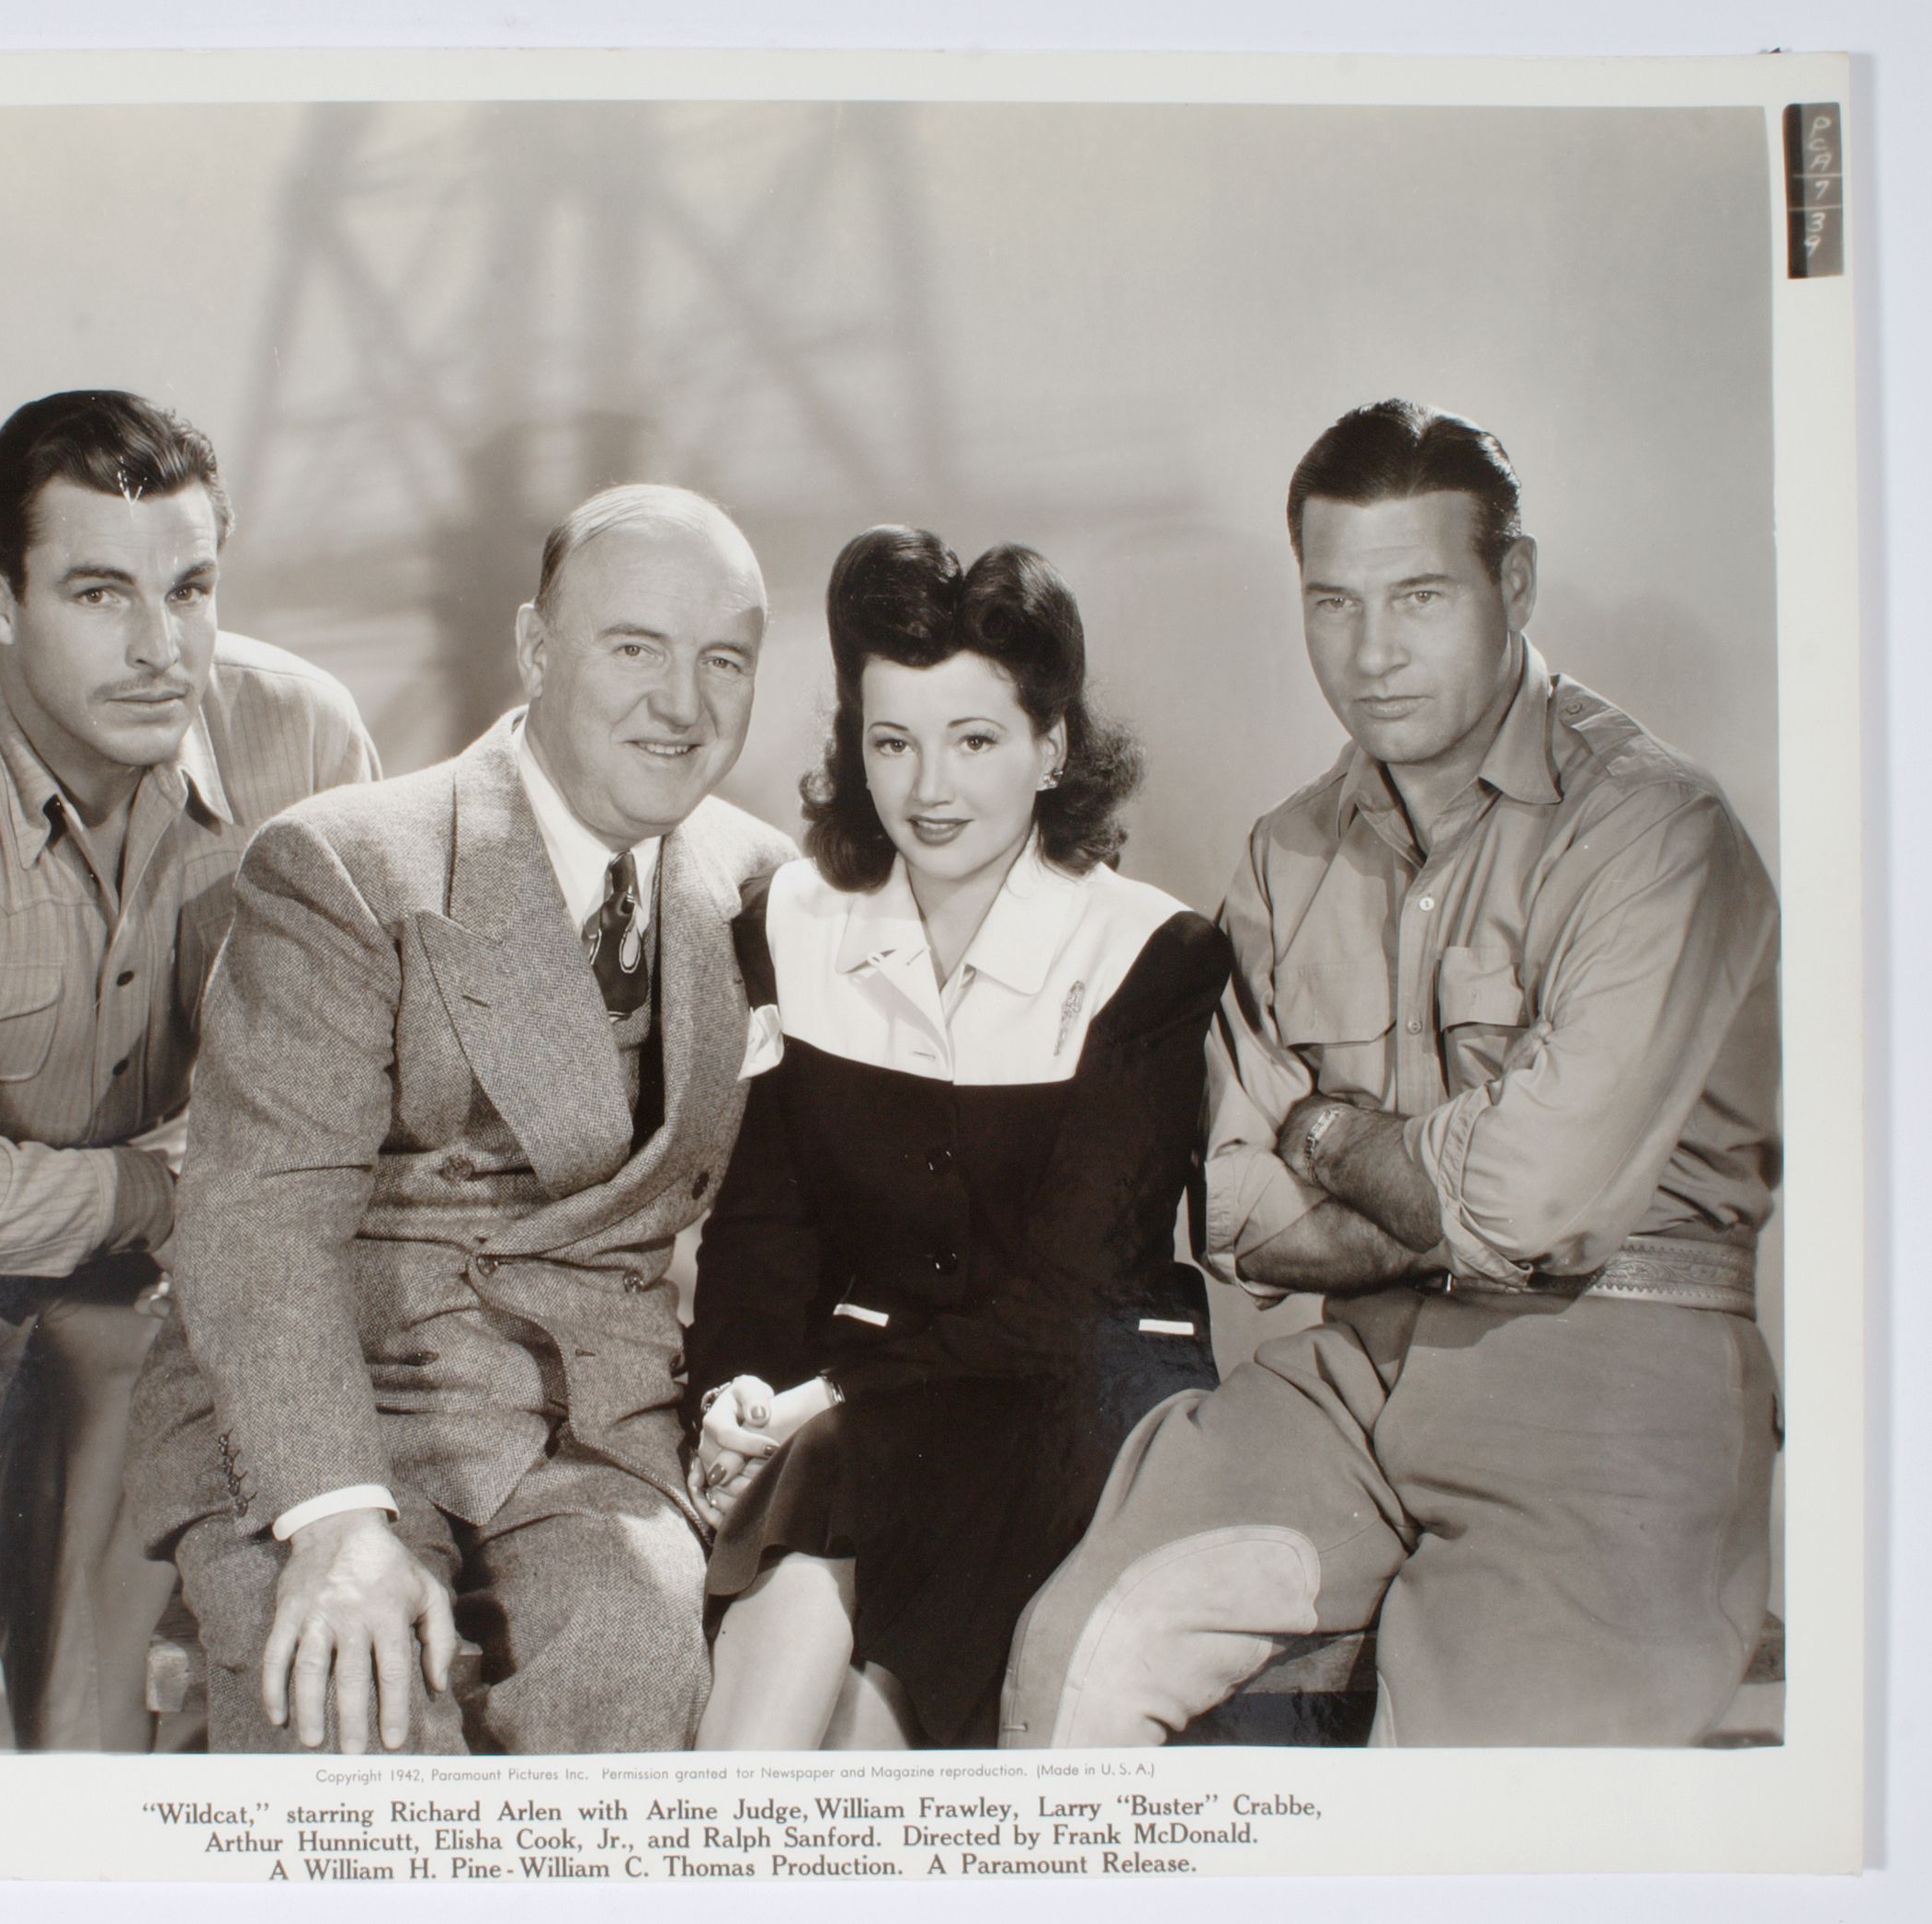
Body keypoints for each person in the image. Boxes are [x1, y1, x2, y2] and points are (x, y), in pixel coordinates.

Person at [1001, 400, 1782, 1748]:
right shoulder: (1286, 852)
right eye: (1332, 602)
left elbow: (1530, 1205)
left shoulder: (1655, 831)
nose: (1370, 654)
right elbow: (1236, 1213)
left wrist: (1320, 1132)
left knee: (1471, 1794)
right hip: (1354, 1380)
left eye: (1418, 596)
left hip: (1613, 1374)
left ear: (1513, 583)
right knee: (1075, 1650)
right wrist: (1435, 1191)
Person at [124, 484, 795, 1756]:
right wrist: (333, 1517)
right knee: (356, 1719)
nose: (682, 705)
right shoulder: (345, 862)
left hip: (591, 1433)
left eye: (724, 660)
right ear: (536, 648)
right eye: (635, 648)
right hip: (325, 1409)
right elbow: (258, 1227)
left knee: (640, 1666)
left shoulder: (763, 886)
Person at [0, 390, 378, 1753]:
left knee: (80, 1705)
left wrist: (184, 1216)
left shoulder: (304, 738)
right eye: (100, 594)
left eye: (190, 589)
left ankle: (69, 1803)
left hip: (138, 1248)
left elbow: (356, 1072)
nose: (161, 648)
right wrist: (153, 1193)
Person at [683, 528, 1231, 1750]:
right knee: (825, 1508)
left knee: (841, 1481)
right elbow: (764, 1224)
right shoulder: (795, 920)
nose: (929, 787)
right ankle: (737, 1816)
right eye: (893, 742)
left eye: (974, 740)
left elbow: (1068, 1298)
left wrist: (820, 1398)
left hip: (1074, 1396)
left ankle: (732, 1824)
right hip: (858, 1406)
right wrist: (740, 1389)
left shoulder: (1150, 953)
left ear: (1053, 747)